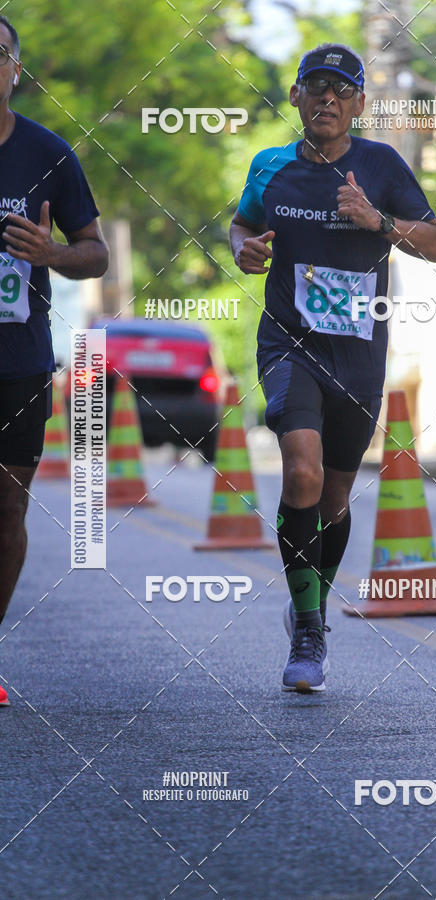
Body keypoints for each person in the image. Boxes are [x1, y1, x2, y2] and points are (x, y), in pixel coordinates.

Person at [230, 43, 436, 693]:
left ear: (358, 105)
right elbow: (241, 228)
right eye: (314, 86)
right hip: (289, 344)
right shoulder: (269, 168)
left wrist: (378, 221)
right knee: (301, 468)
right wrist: (247, 250)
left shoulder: (381, 166)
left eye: (340, 90)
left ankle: (312, 608)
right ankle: (306, 627)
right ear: (294, 96)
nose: (326, 98)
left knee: (334, 499)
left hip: (357, 355)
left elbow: (434, 242)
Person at [0, 16, 108, 705]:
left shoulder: (47, 153)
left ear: (15, 69)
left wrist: (52, 256)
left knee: (6, 511)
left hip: (17, 361)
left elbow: (96, 252)